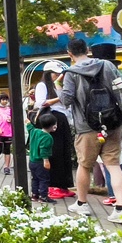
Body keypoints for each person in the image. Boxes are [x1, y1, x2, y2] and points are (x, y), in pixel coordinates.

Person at [60, 38, 122, 224]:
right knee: (113, 165)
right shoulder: (107, 65)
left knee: (84, 166)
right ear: (88, 50)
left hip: (86, 127)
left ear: (70, 54)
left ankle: (82, 204)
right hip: (113, 123)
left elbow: (66, 100)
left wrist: (59, 85)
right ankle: (121, 208)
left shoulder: (71, 73)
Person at [34, 62, 76, 198]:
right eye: (55, 73)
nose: (57, 76)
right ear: (47, 73)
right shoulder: (42, 85)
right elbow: (41, 102)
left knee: (65, 151)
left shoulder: (56, 85)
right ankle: (52, 186)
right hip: (52, 118)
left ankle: (63, 185)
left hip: (62, 119)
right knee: (55, 151)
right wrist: (60, 98)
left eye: (58, 74)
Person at [27, 111, 58, 203]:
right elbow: (44, 150)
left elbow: (29, 127)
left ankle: (34, 195)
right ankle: (43, 196)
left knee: (34, 178)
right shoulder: (48, 137)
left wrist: (28, 121)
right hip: (41, 162)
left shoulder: (35, 131)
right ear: (53, 126)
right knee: (44, 179)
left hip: (32, 161)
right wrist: (46, 161)